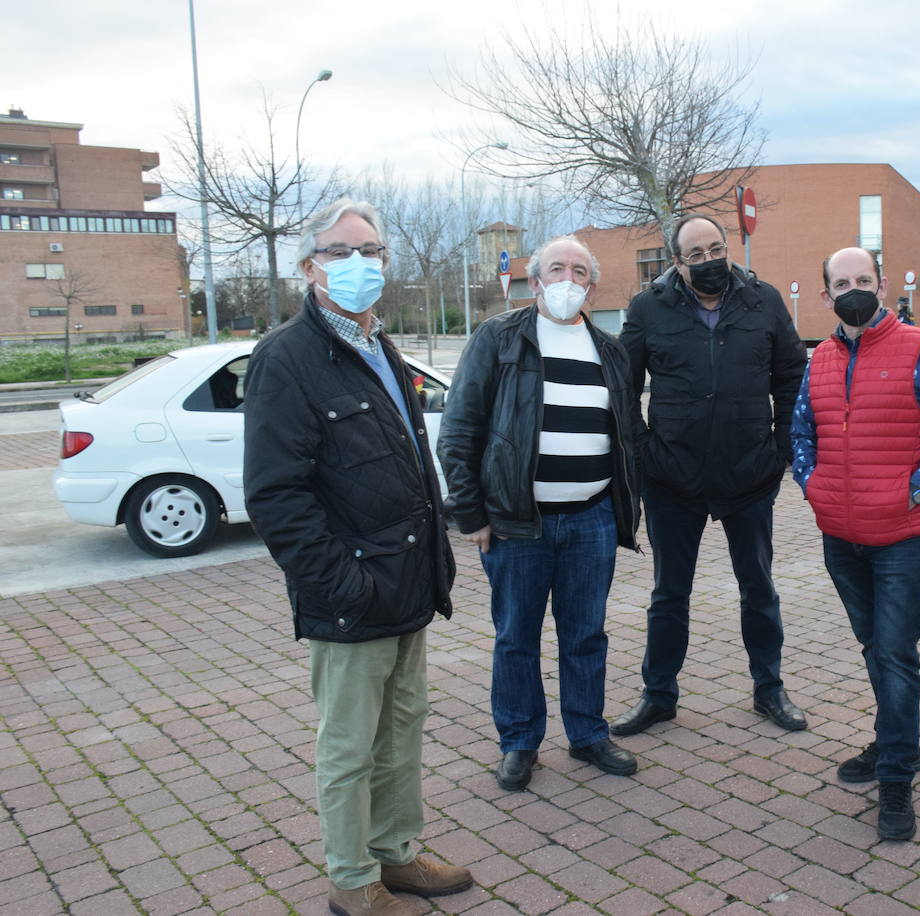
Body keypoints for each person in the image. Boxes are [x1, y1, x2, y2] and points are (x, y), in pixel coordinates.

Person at [244, 198, 471, 916]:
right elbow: (277, 496)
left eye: (370, 251)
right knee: (348, 746)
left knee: (403, 726)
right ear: (311, 267)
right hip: (353, 594)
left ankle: (396, 852)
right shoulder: (287, 358)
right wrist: (344, 585)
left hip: (407, 581)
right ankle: (352, 878)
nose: (359, 265)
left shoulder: (380, 346)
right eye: (341, 252)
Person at [438, 235, 641, 793]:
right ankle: (520, 742)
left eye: (580, 271)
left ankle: (588, 733)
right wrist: (471, 515)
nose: (568, 280)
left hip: (591, 519)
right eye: (557, 269)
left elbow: (627, 434)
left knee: (585, 634)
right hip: (514, 524)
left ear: (593, 287)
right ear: (535, 280)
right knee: (516, 638)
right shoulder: (498, 339)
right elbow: (458, 432)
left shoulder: (611, 350)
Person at [791, 247, 920, 840]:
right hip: (840, 536)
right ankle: (896, 742)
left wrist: (918, 486)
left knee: (896, 653)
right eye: (841, 283)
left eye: (863, 280)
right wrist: (812, 483)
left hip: (899, 536)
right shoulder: (819, 357)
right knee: (875, 647)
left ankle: (896, 775)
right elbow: (801, 429)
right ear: (825, 296)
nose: (853, 290)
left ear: (882, 284)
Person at [610, 213, 809, 737]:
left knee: (758, 587)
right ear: (677, 261)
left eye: (715, 249)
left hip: (749, 475)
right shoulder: (648, 308)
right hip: (673, 479)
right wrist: (646, 452)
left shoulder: (763, 300)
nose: (708, 261)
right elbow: (622, 388)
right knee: (669, 595)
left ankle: (770, 689)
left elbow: (791, 376)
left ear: (729, 248)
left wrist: (781, 448)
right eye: (695, 254)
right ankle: (659, 696)